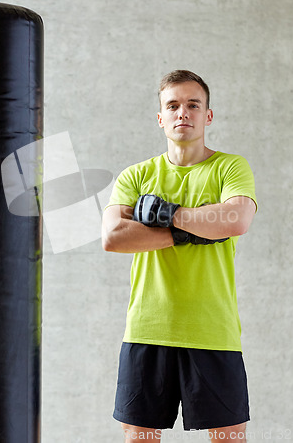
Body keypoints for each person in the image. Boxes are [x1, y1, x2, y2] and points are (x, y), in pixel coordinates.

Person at [101, 70, 257, 442]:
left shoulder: (229, 168)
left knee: (229, 438)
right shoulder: (136, 176)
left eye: (192, 105)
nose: (182, 113)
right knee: (139, 437)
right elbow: (114, 236)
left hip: (213, 330)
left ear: (208, 115)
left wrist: (166, 214)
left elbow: (236, 218)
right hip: (147, 327)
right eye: (172, 106)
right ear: (161, 118)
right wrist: (195, 228)